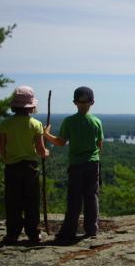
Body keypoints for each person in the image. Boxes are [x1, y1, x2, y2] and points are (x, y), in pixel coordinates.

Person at [44, 86, 104, 243]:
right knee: (92, 197)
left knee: (74, 199)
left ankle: (69, 231)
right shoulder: (97, 121)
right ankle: (91, 229)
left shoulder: (69, 121)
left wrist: (46, 134)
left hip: (76, 165)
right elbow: (100, 145)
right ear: (93, 102)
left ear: (74, 102)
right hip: (93, 163)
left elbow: (60, 142)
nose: (83, 104)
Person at [0, 85, 50, 244]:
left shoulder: (6, 124)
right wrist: (46, 153)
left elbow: (1, 148)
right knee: (31, 201)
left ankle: (12, 234)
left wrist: (7, 159)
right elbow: (41, 150)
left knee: (13, 201)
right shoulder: (36, 124)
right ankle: (33, 234)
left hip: (12, 167)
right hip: (30, 168)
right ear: (32, 106)